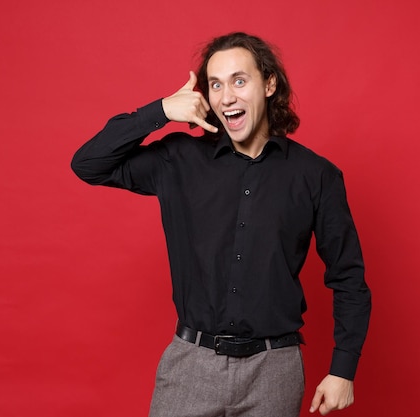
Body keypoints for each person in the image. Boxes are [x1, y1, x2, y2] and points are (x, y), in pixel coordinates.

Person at [71, 32, 371, 416]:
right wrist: (161, 110)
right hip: (190, 367)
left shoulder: (316, 176)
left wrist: (343, 370)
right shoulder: (177, 159)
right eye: (216, 84)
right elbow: (88, 164)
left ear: (269, 84)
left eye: (239, 81)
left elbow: (348, 277)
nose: (226, 96)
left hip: (274, 371)